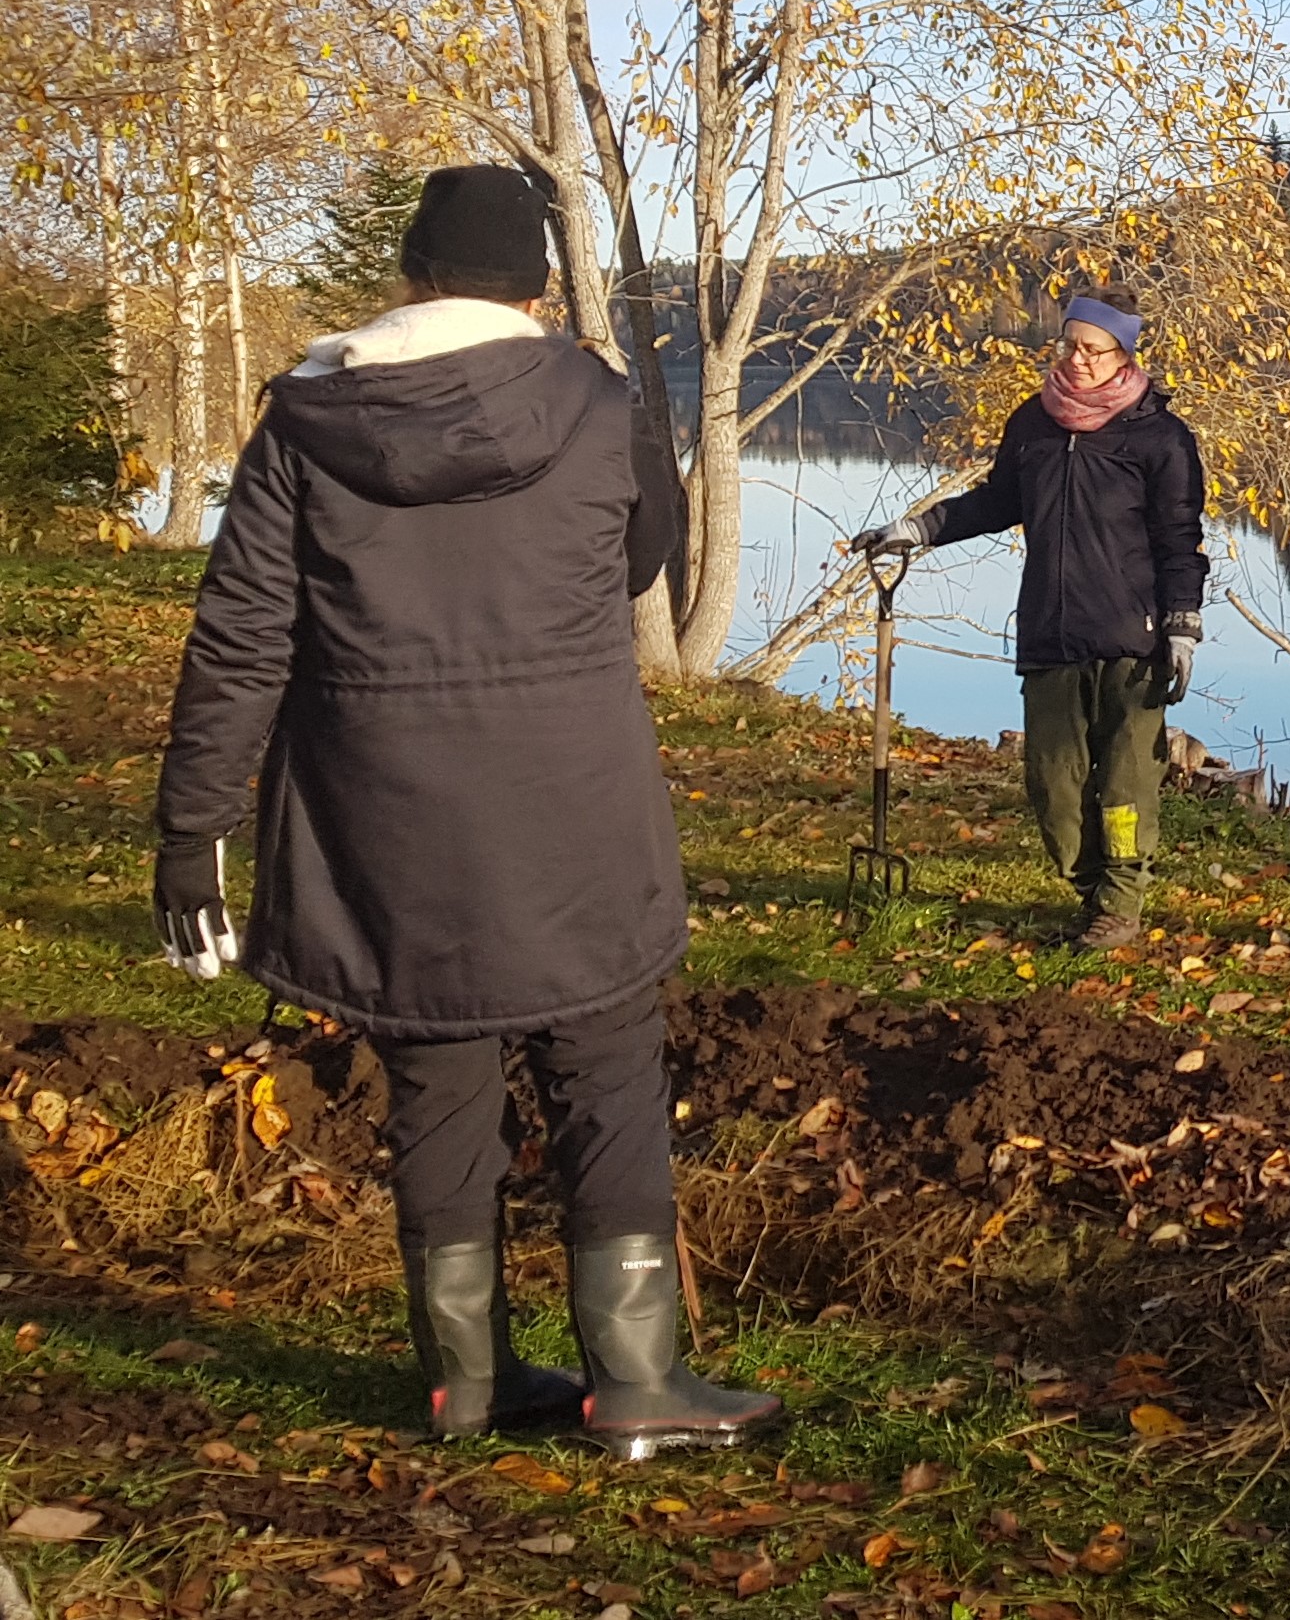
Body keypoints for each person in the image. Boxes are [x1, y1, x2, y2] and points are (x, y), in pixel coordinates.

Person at [155, 164, 781, 1457]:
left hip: (382, 812)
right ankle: (641, 1382)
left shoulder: (305, 421)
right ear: (539, 283)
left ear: (412, 271)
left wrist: (191, 829)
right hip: (570, 795)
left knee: (433, 1074)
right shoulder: (600, 405)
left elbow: (240, 637)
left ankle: (469, 1382)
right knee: (605, 1068)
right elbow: (642, 556)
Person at [856, 289, 1206, 949]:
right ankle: (1090, 888)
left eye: (1091, 349)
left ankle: (1120, 905)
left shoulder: (1159, 437)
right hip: (1050, 633)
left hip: (1134, 641)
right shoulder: (1034, 423)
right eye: (1068, 344)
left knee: (1127, 789)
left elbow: (1180, 541)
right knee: (1052, 790)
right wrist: (918, 527)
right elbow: (996, 502)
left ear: (1122, 354)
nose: (1075, 359)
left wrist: (1183, 625)